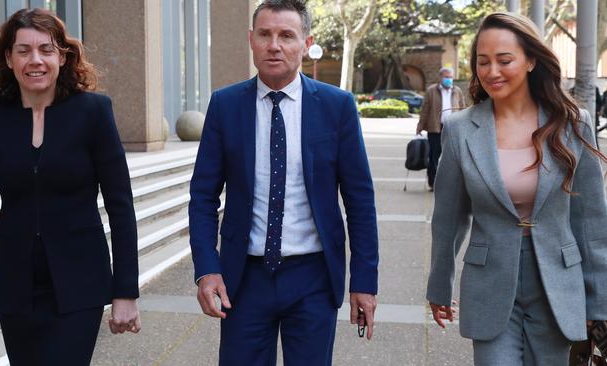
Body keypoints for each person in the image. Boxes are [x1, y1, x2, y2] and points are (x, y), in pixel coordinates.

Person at [188, 1, 379, 365]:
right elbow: (202, 196)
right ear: (251, 40)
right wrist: (207, 269)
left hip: (313, 278)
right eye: (265, 34)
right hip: (243, 280)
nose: (274, 45)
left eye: (286, 35)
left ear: (305, 43)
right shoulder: (225, 105)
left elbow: (359, 201)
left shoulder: (336, 107)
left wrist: (364, 281)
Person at [0, 9, 141, 364]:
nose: (35, 60)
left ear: (62, 56)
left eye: (46, 49)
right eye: (23, 50)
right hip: (15, 286)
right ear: (8, 58)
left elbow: (121, 205)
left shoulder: (94, 113)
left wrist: (125, 291)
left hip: (80, 282)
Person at [426, 12, 607, 365]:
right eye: (483, 62)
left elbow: (592, 224)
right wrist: (439, 286)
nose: (492, 71)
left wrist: (598, 300)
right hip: (489, 283)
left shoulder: (572, 123)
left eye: (504, 60)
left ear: (530, 61)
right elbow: (448, 218)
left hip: (558, 283)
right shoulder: (461, 128)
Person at [416, 67, 466, 191]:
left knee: (452, 158)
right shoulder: (431, 91)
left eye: (450, 77)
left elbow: (463, 108)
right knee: (434, 157)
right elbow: (425, 110)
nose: (448, 79)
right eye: (446, 77)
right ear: (440, 77)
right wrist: (420, 126)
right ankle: (433, 183)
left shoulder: (457, 91)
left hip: (453, 129)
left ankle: (450, 184)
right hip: (435, 128)